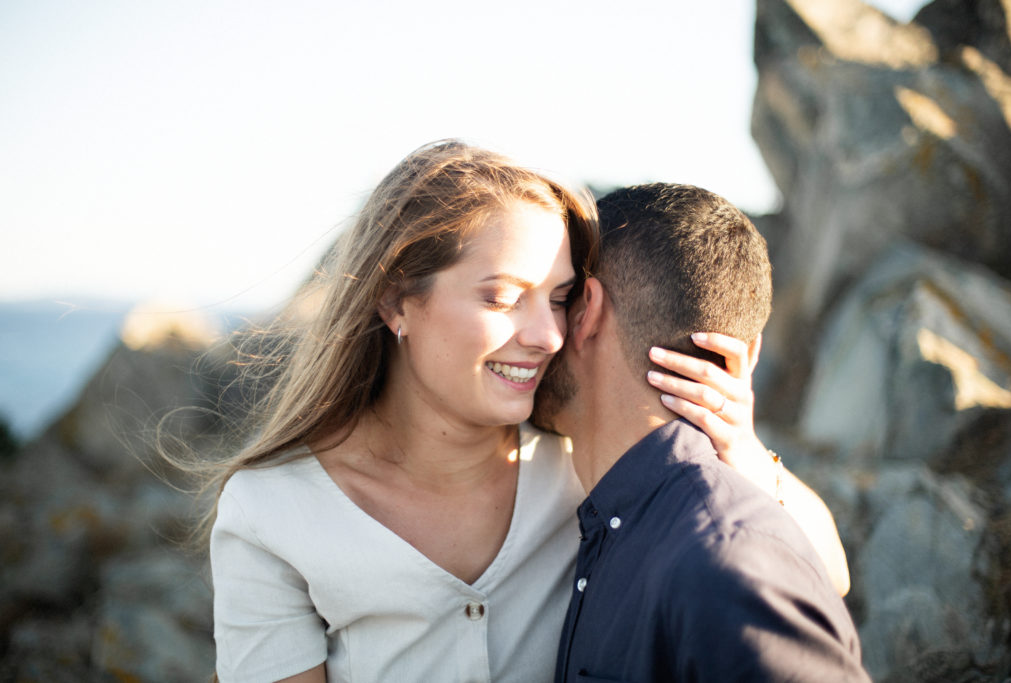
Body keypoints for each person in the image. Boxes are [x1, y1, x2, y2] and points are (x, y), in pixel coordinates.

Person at [205, 141, 849, 682]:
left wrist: (738, 449)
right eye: (504, 297)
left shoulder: (586, 464)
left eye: (561, 299)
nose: (547, 335)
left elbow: (823, 570)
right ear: (395, 302)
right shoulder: (270, 513)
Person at [531, 182, 869, 682]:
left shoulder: (724, 559)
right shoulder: (637, 518)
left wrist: (747, 457)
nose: (536, 333)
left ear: (587, 312)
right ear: (750, 352)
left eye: (558, 299)